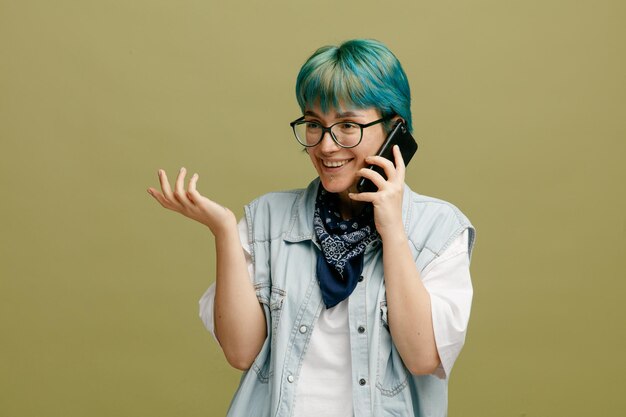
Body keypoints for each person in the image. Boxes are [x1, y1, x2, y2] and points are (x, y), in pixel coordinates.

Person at [147, 39, 475, 417]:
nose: (325, 146)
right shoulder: (268, 219)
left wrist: (393, 231)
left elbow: (422, 357)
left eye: (348, 125)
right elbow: (240, 352)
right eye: (315, 125)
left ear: (395, 130)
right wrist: (223, 230)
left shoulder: (439, 229)